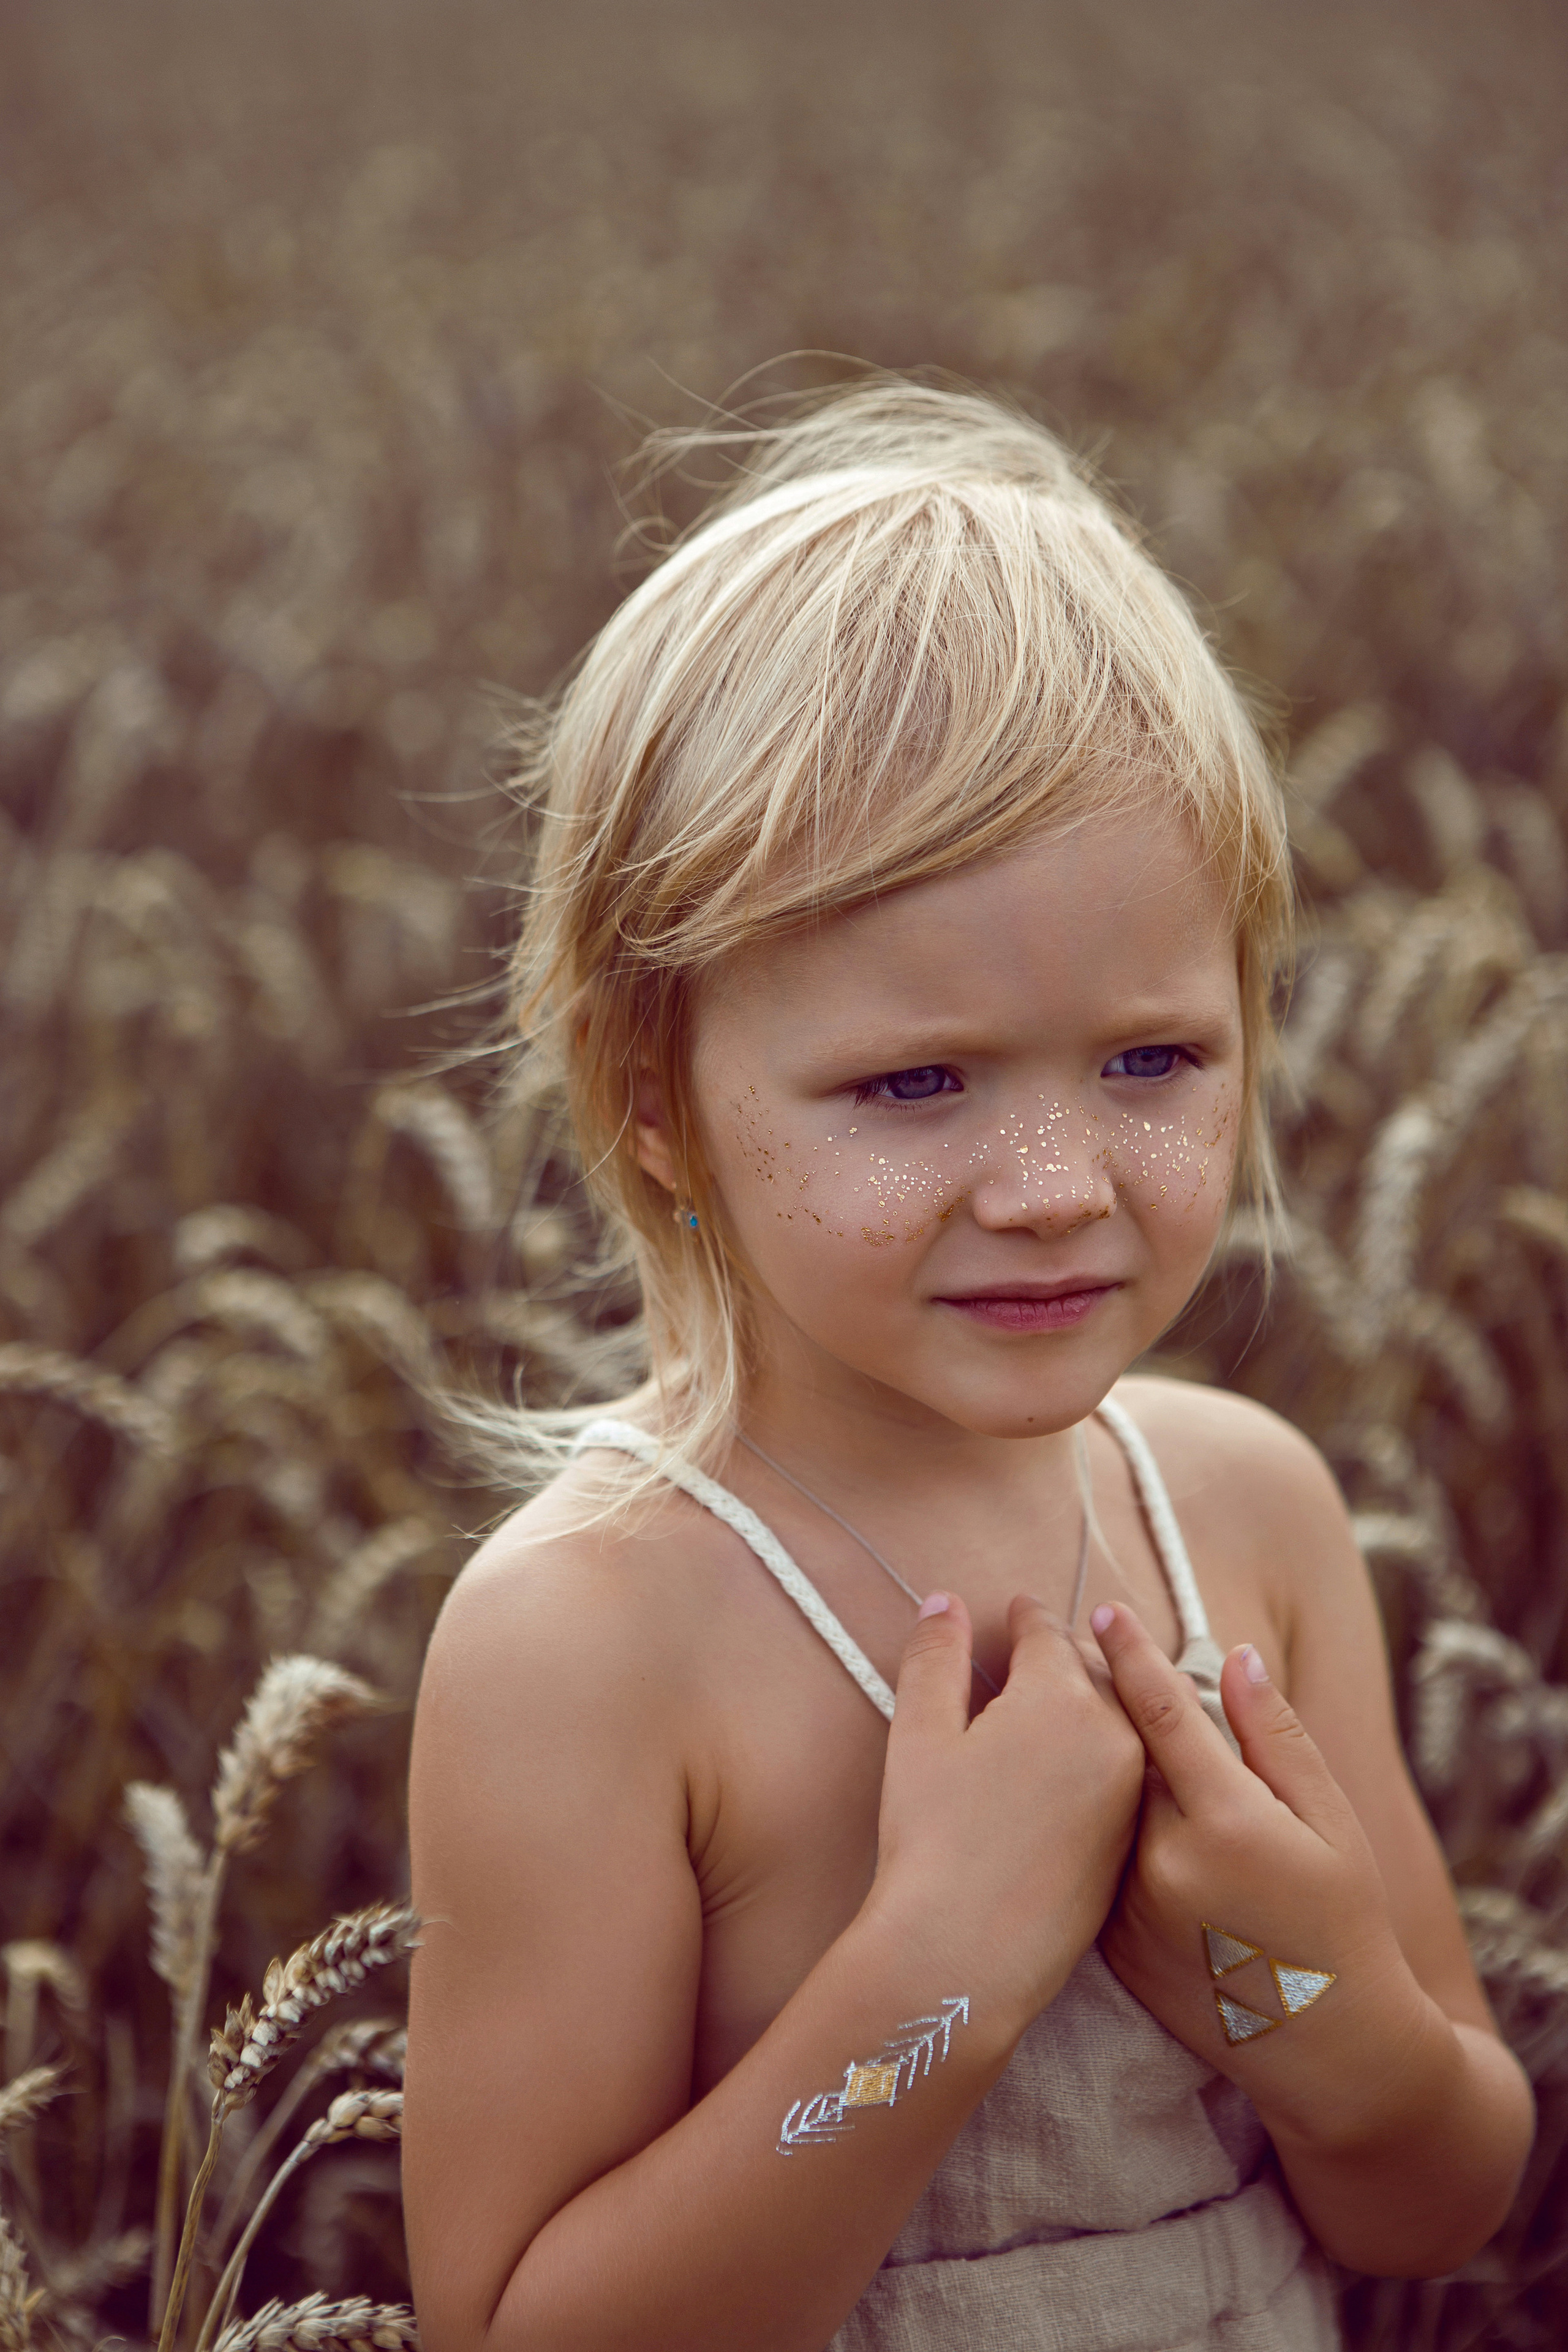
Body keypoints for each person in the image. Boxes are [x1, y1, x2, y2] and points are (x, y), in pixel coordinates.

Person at [402, 379, 1533, 2352]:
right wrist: (938, 1974)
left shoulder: (1245, 1515)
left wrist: (1305, 2000)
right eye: (914, 1083)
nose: (1052, 1186)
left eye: (1153, 1061)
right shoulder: (588, 1642)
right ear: (656, 1097)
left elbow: (1431, 2206)